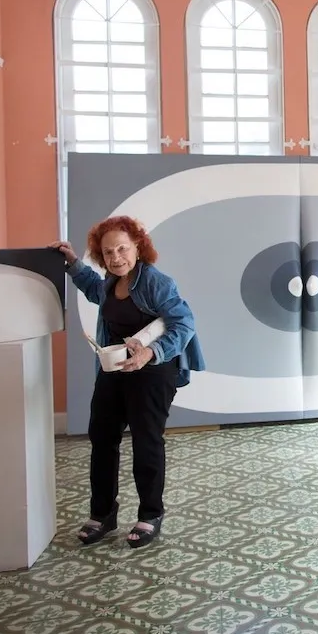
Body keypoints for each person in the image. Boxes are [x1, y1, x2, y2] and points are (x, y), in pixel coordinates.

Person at [50, 215, 204, 548]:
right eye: (108, 253)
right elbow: (94, 288)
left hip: (151, 372)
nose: (116, 257)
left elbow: (184, 323)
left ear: (138, 247)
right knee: (102, 438)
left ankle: (150, 514)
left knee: (146, 442)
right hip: (115, 368)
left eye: (122, 249)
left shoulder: (155, 282)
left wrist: (150, 353)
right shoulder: (109, 281)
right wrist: (72, 262)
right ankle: (102, 514)